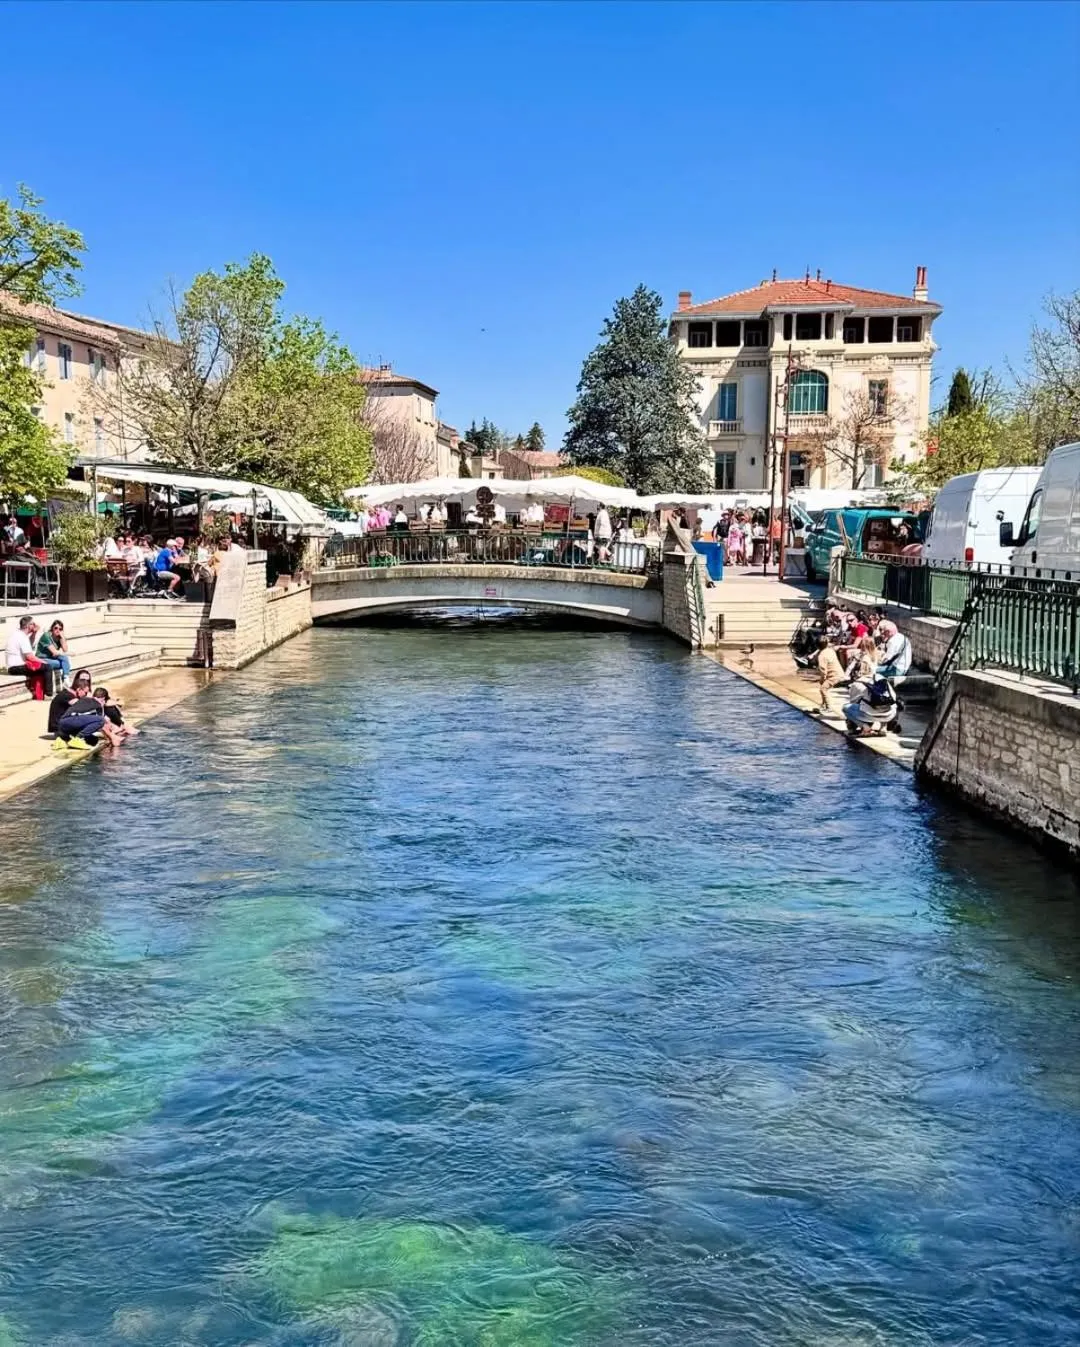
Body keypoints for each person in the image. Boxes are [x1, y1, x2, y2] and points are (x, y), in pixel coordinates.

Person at [54, 686, 125, 750]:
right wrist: (112, 738)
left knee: (93, 740)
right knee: (101, 720)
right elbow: (102, 724)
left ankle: (62, 740)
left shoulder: (84, 699)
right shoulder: (97, 705)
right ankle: (78, 738)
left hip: (62, 726)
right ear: (103, 698)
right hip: (70, 721)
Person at [48, 668, 92, 735]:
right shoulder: (67, 695)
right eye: (82, 680)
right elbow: (83, 707)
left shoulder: (75, 693)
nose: (85, 682)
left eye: (87, 680)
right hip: (59, 727)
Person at [36, 620, 72, 686]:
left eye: (60, 629)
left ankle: (66, 679)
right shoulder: (46, 636)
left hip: (52, 658)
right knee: (66, 663)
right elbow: (55, 652)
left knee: (65, 660)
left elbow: (65, 650)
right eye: (56, 628)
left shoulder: (59, 638)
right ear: (52, 628)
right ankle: (66, 679)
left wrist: (63, 638)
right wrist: (70, 654)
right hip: (42, 659)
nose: (57, 630)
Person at [814, 634, 845, 710]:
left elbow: (823, 670)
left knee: (823, 689)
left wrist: (822, 679)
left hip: (833, 676)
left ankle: (828, 707)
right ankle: (823, 705)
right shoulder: (830, 650)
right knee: (824, 687)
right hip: (839, 673)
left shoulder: (821, 656)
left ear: (817, 646)